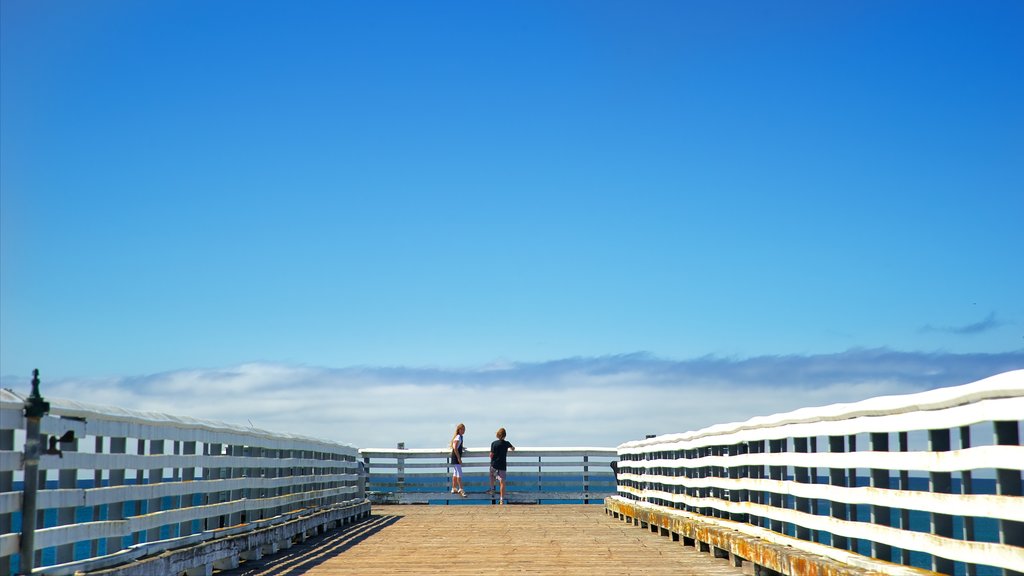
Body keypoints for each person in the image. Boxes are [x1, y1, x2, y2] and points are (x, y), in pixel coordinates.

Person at [488, 427, 515, 504]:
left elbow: (491, 455)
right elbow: (513, 448)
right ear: (505, 435)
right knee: (502, 482)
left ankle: (492, 489)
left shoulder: (494, 443)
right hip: (502, 465)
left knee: (491, 475)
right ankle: (501, 499)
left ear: (498, 435)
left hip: (494, 465)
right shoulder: (507, 443)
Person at [450, 423, 466, 497]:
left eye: (464, 429)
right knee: (459, 473)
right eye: (462, 429)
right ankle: (461, 488)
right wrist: (459, 458)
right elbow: (455, 448)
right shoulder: (458, 437)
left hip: (455, 456)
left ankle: (454, 488)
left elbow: (457, 446)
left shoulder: (459, 437)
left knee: (455, 472)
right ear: (459, 430)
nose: (463, 431)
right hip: (456, 456)